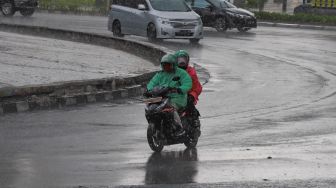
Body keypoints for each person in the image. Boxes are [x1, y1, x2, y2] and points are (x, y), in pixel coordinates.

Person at [146, 54, 192, 136]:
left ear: (173, 64)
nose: (165, 67)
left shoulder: (181, 73)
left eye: (168, 65)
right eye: (164, 65)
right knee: (149, 105)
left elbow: (187, 83)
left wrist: (179, 89)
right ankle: (156, 123)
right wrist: (149, 91)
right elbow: (151, 83)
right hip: (161, 97)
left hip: (177, 97)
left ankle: (179, 128)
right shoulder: (160, 74)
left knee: (170, 108)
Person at [175, 50, 202, 118]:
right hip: (172, 95)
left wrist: (192, 95)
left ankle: (194, 120)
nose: (182, 62)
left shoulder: (191, 72)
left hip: (186, 95)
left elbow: (197, 88)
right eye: (179, 59)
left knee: (189, 106)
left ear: (187, 60)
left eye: (184, 59)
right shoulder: (170, 70)